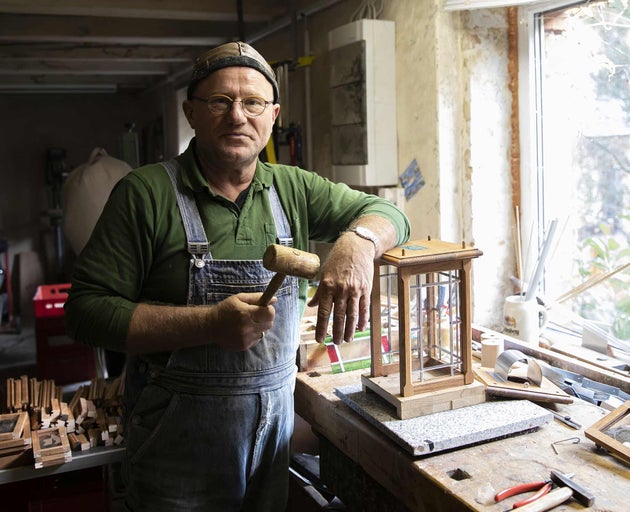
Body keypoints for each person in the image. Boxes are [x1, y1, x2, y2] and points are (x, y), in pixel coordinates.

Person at [64, 41, 410, 512]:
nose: (237, 116)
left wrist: (359, 244)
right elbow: (85, 313)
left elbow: (388, 211)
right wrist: (207, 325)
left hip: (271, 439)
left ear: (273, 115)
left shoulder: (294, 187)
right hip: (175, 448)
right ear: (191, 112)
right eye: (220, 101)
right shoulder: (145, 194)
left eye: (253, 103)